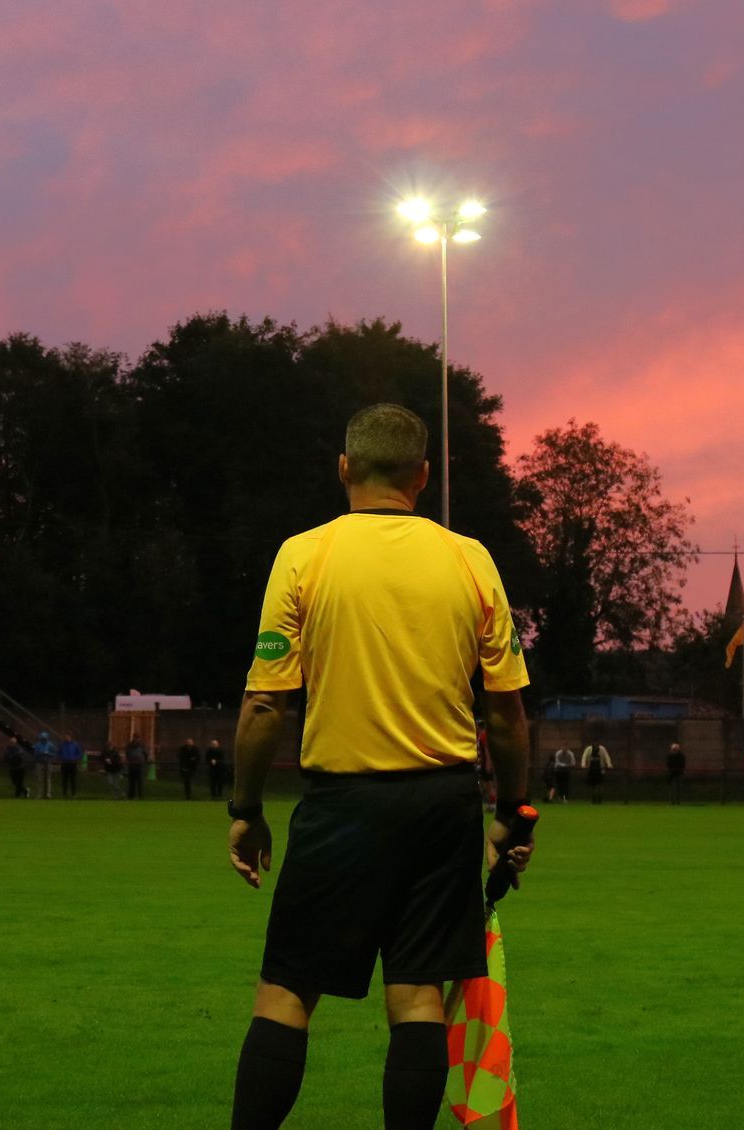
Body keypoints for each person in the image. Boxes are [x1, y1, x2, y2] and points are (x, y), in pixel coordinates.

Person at [224, 403, 534, 1130]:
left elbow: (265, 706)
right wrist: (513, 812)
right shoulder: (470, 559)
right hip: (442, 805)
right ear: (423, 478)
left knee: (287, 991)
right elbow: (508, 714)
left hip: (342, 804)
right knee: (419, 995)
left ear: (344, 469)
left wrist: (245, 810)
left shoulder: (304, 555)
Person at [32, 731, 58, 799]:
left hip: (48, 763)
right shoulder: (37, 745)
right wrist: (40, 753)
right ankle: (39, 794)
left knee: (48, 779)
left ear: (47, 738)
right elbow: (35, 754)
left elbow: (54, 754)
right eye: (42, 738)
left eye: (45, 738)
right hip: (39, 763)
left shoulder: (50, 745)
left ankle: (48, 794)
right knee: (39, 779)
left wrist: (48, 753)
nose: (43, 739)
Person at [60, 731, 84, 798]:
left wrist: (74, 758)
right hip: (65, 764)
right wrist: (62, 757)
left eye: (67, 737)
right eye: (65, 737)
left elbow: (80, 754)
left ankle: (73, 794)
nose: (66, 738)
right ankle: (64, 794)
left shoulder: (75, 744)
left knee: (73, 780)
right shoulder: (62, 745)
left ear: (70, 737)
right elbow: (59, 753)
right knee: (64, 780)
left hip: (72, 764)